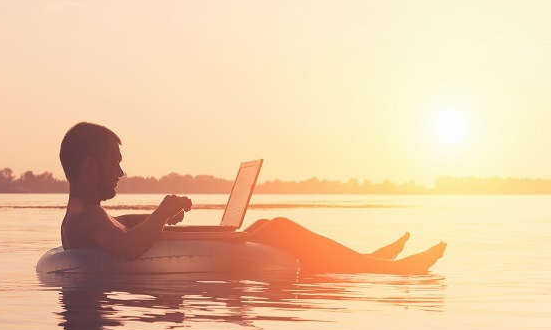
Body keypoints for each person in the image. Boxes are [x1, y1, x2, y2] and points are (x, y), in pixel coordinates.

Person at [60, 122, 446, 275]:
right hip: (178, 277)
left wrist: (158, 216)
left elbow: (125, 232)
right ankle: (389, 269)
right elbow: (126, 249)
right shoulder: (87, 218)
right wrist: (161, 211)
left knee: (263, 226)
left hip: (172, 266)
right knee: (276, 228)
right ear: (90, 167)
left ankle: (370, 260)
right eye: (115, 164)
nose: (121, 173)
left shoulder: (87, 216)